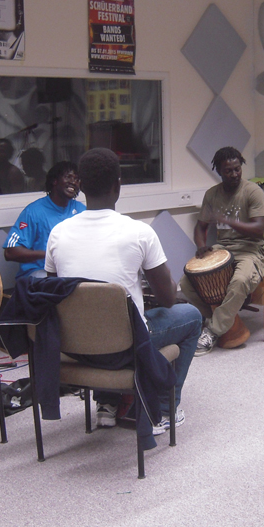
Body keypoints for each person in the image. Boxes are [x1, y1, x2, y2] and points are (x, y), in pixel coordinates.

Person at [44, 148, 202, 433]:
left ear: (81, 186)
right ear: (118, 185)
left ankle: (107, 404)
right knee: (191, 316)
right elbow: (167, 299)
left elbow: (53, 293)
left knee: (99, 318)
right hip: (124, 347)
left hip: (75, 347)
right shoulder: (139, 232)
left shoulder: (58, 233)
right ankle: (163, 410)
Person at [180, 147, 264, 355]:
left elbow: (258, 229)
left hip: (250, 249)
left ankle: (212, 331)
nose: (234, 174)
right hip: (222, 248)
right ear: (219, 171)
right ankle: (221, 319)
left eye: (237, 169)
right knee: (187, 282)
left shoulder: (253, 191)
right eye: (228, 171)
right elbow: (200, 227)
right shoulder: (212, 195)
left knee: (239, 281)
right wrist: (201, 246)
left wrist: (227, 220)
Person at [3, 161, 85, 279]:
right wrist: (50, 255)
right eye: (68, 177)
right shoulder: (33, 211)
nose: (73, 182)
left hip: (71, 272)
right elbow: (10, 252)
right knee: (59, 283)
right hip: (39, 273)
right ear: (54, 181)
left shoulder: (81, 210)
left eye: (77, 179)